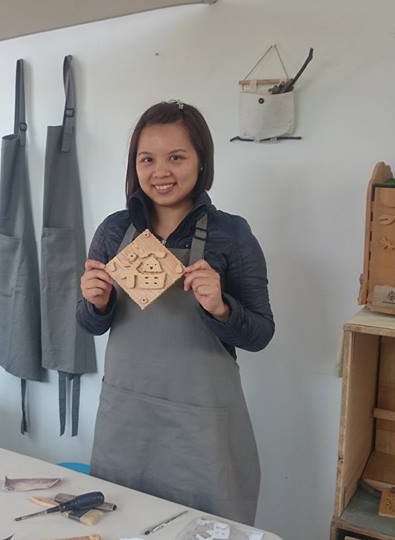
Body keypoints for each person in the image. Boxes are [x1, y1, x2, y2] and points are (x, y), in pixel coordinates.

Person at [76, 101, 274, 525]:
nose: (160, 172)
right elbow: (89, 324)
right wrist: (96, 303)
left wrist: (221, 308)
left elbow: (260, 334)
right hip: (127, 420)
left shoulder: (231, 234)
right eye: (147, 159)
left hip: (202, 426)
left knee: (205, 526)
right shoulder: (114, 230)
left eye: (177, 157)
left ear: (202, 161)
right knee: (122, 522)